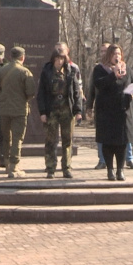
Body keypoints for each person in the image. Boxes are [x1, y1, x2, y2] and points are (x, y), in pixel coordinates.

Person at [93, 44, 133, 181]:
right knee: (108, 142)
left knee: (122, 142)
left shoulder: (127, 68)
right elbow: (98, 84)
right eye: (114, 54)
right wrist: (113, 74)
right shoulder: (100, 69)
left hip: (123, 111)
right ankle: (110, 170)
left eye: (119, 53)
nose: (117, 56)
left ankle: (120, 170)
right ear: (109, 56)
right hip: (106, 112)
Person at [37, 49, 83, 179]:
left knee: (67, 140)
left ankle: (66, 168)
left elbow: (76, 93)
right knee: (51, 140)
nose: (59, 61)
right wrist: (42, 112)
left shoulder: (70, 72)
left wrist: (78, 111)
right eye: (57, 59)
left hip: (66, 110)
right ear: (53, 59)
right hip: (51, 110)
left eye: (62, 59)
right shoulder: (46, 72)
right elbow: (40, 94)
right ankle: (50, 168)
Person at [0, 46, 36, 178]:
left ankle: (7, 164)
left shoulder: (1, 71)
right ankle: (14, 167)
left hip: (4, 110)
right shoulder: (25, 72)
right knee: (17, 139)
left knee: (7, 138)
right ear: (22, 57)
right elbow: (31, 92)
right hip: (19, 111)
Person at [86, 42, 111, 170]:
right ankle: (102, 160)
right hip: (101, 106)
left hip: (117, 107)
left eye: (106, 51)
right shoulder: (98, 68)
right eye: (101, 51)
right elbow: (92, 88)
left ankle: (127, 159)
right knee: (101, 134)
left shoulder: (121, 66)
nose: (103, 53)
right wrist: (89, 106)